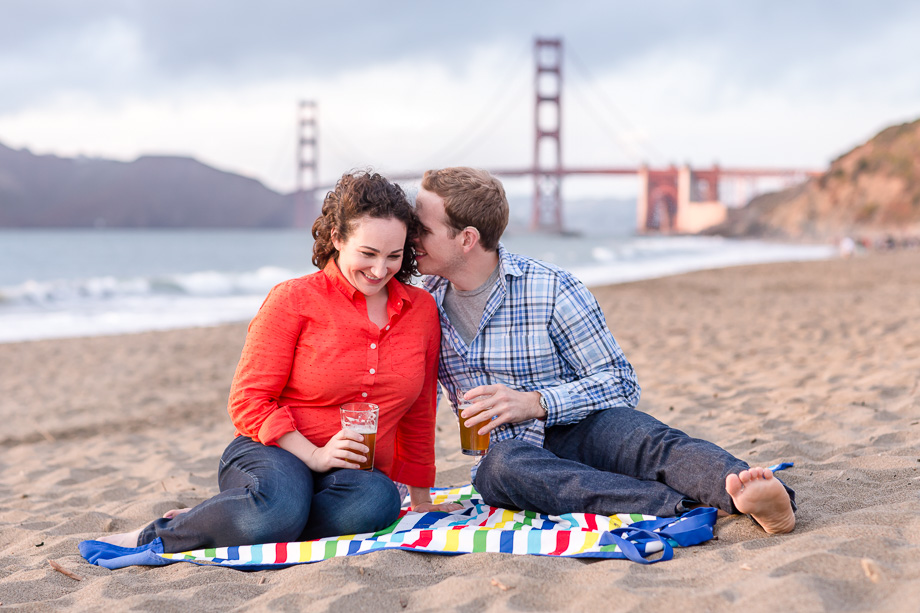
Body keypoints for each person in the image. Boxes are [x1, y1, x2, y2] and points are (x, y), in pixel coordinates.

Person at [91, 171, 460, 554]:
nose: (380, 270)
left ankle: (233, 517)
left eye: (394, 256)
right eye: (367, 253)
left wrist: (421, 501)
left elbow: (419, 411)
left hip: (350, 475)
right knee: (278, 507)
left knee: (377, 503)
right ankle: (164, 532)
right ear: (337, 238)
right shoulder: (293, 299)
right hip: (271, 453)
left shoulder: (421, 311)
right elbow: (248, 402)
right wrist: (315, 455)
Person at [413, 167, 796, 534]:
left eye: (423, 229)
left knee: (648, 443)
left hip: (582, 426)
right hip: (512, 455)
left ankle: (756, 494)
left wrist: (536, 403)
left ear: (466, 239)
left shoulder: (551, 288)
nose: (412, 237)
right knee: (501, 469)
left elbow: (621, 383)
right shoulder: (420, 305)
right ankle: (680, 506)